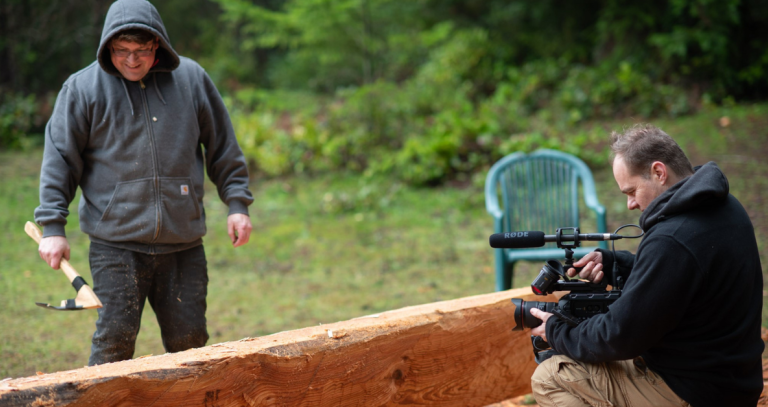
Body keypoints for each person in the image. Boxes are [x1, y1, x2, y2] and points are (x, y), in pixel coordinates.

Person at [34, 0, 254, 365]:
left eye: (141, 51)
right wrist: (53, 226)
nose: (132, 60)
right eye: (122, 51)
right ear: (108, 47)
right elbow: (59, 160)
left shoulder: (192, 79)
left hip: (182, 244)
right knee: (115, 344)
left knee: (191, 345)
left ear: (159, 46)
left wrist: (237, 205)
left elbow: (223, 147)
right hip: (116, 246)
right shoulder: (82, 89)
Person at [527, 124, 764, 406]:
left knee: (549, 376)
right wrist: (618, 263)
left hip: (692, 391)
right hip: (731, 381)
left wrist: (557, 330)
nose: (630, 204)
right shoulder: (724, 206)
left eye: (631, 191)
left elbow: (619, 336)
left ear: (659, 172)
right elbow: (684, 274)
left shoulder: (672, 238)